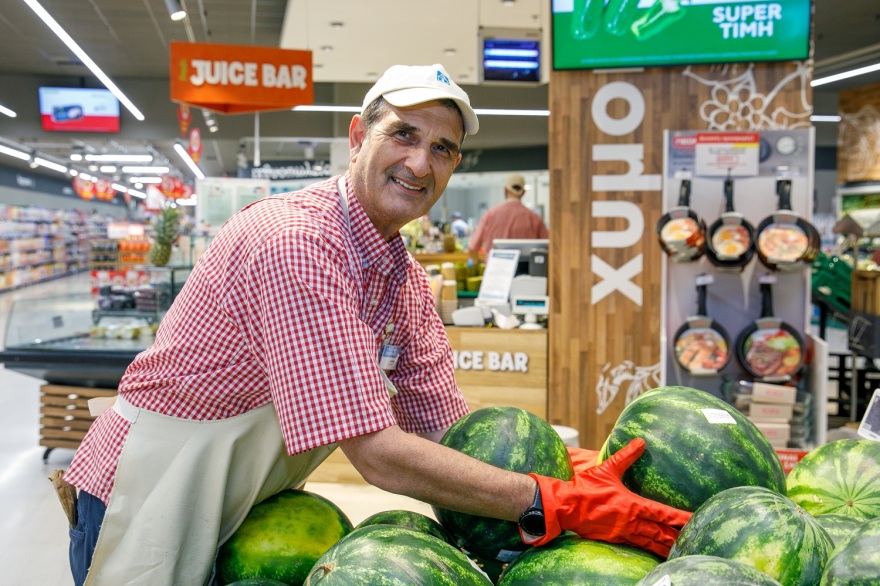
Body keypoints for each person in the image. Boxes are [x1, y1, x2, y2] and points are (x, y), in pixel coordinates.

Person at [63, 63, 690, 585]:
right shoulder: (297, 243)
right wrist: (548, 502)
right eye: (403, 135)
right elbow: (379, 456)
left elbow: (446, 432)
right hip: (149, 490)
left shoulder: (403, 278)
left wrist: (570, 466)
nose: (420, 163)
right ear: (358, 135)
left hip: (242, 501)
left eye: (442, 148)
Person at [467, 173, 549, 259]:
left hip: (494, 269)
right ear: (523, 192)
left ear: (505, 190)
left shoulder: (490, 215)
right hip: (526, 270)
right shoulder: (535, 218)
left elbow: (472, 248)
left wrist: (479, 264)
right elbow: (547, 248)